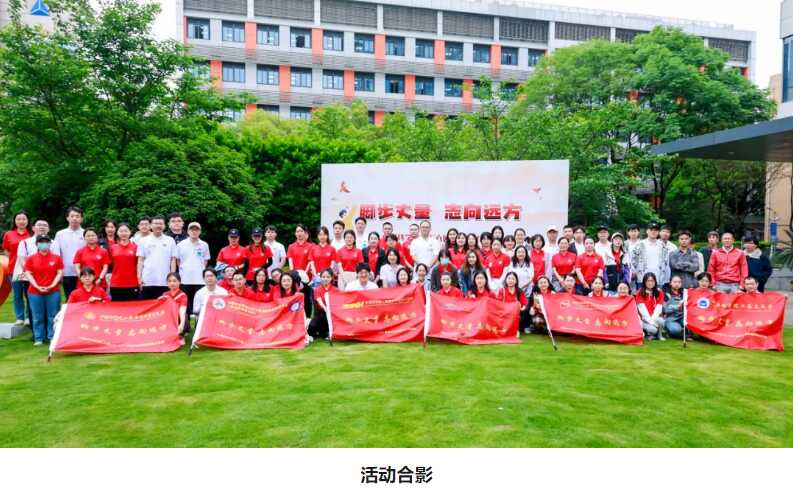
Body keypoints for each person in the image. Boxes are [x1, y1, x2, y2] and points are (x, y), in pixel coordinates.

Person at [24, 234, 63, 345]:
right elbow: (28, 273)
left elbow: (59, 273)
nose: (44, 244)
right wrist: (36, 286)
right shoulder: (31, 258)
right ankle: (39, 338)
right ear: (37, 244)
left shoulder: (56, 258)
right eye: (41, 242)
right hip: (35, 292)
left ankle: (52, 336)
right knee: (37, 317)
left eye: (46, 242)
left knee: (53, 316)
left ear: (50, 244)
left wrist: (52, 285)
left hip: (53, 291)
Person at [175, 222, 210, 326]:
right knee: (185, 303)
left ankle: (199, 325)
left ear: (200, 231)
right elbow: (178, 261)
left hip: (200, 279)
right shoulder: (181, 245)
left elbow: (205, 261)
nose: (194, 232)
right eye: (192, 229)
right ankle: (185, 325)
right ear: (188, 231)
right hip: (185, 279)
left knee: (199, 303)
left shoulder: (204, 245)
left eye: (196, 229)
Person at [136, 216, 177, 299]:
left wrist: (172, 277)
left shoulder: (170, 240)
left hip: (165, 281)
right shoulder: (143, 240)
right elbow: (140, 260)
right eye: (156, 223)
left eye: (161, 223)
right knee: (147, 305)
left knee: (165, 305)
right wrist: (139, 277)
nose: (158, 225)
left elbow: (173, 260)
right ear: (151, 225)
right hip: (147, 280)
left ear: (164, 226)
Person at [3, 210, 32, 325]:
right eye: (18, 219)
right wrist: (15, 261)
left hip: (29, 269)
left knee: (29, 294)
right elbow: (6, 250)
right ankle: (20, 317)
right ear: (15, 221)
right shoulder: (9, 234)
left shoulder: (32, 234)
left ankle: (28, 317)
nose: (21, 221)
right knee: (17, 294)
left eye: (24, 219)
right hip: (13, 270)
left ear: (27, 221)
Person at [54, 206, 85, 300]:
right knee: (70, 298)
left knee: (84, 299)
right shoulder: (60, 234)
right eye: (72, 216)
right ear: (67, 218)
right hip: (66, 272)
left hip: (84, 273)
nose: (74, 218)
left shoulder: (86, 233)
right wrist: (58, 271)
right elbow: (56, 254)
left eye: (77, 216)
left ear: (81, 219)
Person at [631, 222, 670, 288]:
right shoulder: (640, 244)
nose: (653, 232)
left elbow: (666, 262)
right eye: (651, 230)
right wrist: (635, 272)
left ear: (658, 232)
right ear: (647, 231)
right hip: (642, 278)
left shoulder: (663, 245)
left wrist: (665, 278)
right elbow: (633, 260)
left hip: (658, 279)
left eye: (656, 230)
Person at [635, 273, 665, 341]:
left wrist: (653, 321)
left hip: (654, 318)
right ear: (644, 282)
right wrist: (652, 323)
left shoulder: (659, 292)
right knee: (653, 329)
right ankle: (648, 333)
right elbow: (643, 312)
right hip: (643, 319)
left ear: (655, 282)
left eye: (652, 281)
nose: (650, 283)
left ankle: (659, 335)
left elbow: (658, 309)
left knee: (661, 321)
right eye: (648, 281)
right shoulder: (639, 292)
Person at [159, 272, 188, 343]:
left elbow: (182, 310)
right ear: (167, 283)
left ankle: (181, 335)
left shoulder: (183, 295)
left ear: (179, 282)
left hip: (178, 318)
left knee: (184, 316)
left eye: (174, 281)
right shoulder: (164, 295)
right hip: (168, 318)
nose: (172, 283)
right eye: (169, 281)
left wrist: (182, 324)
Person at [308, 269, 335, 339]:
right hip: (320, 313)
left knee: (327, 331)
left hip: (332, 314)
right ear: (320, 278)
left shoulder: (335, 290)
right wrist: (326, 309)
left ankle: (325, 332)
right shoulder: (317, 289)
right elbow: (319, 301)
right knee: (311, 327)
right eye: (323, 277)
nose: (325, 279)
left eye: (328, 277)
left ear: (331, 278)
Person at [662, 275, 685, 340]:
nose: (677, 284)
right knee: (675, 330)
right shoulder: (665, 294)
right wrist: (677, 307)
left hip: (682, 317)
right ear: (670, 283)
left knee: (691, 324)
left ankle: (685, 332)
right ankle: (672, 331)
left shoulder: (684, 293)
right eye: (675, 282)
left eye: (679, 282)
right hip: (670, 318)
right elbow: (665, 310)